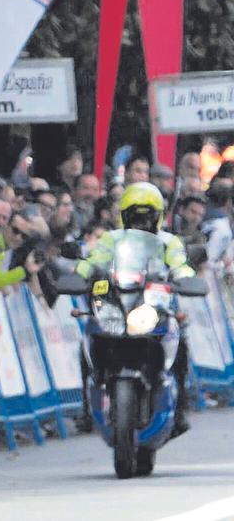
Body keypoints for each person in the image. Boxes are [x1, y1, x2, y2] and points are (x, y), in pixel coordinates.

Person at [75, 182, 195, 435]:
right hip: (119, 304)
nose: (141, 222)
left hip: (153, 307)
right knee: (88, 336)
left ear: (158, 216)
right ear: (124, 216)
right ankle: (87, 406)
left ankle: (181, 406)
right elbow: (94, 261)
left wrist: (185, 277)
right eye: (135, 215)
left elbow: (180, 264)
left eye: (147, 215)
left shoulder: (168, 242)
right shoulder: (111, 239)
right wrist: (80, 275)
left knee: (180, 341)